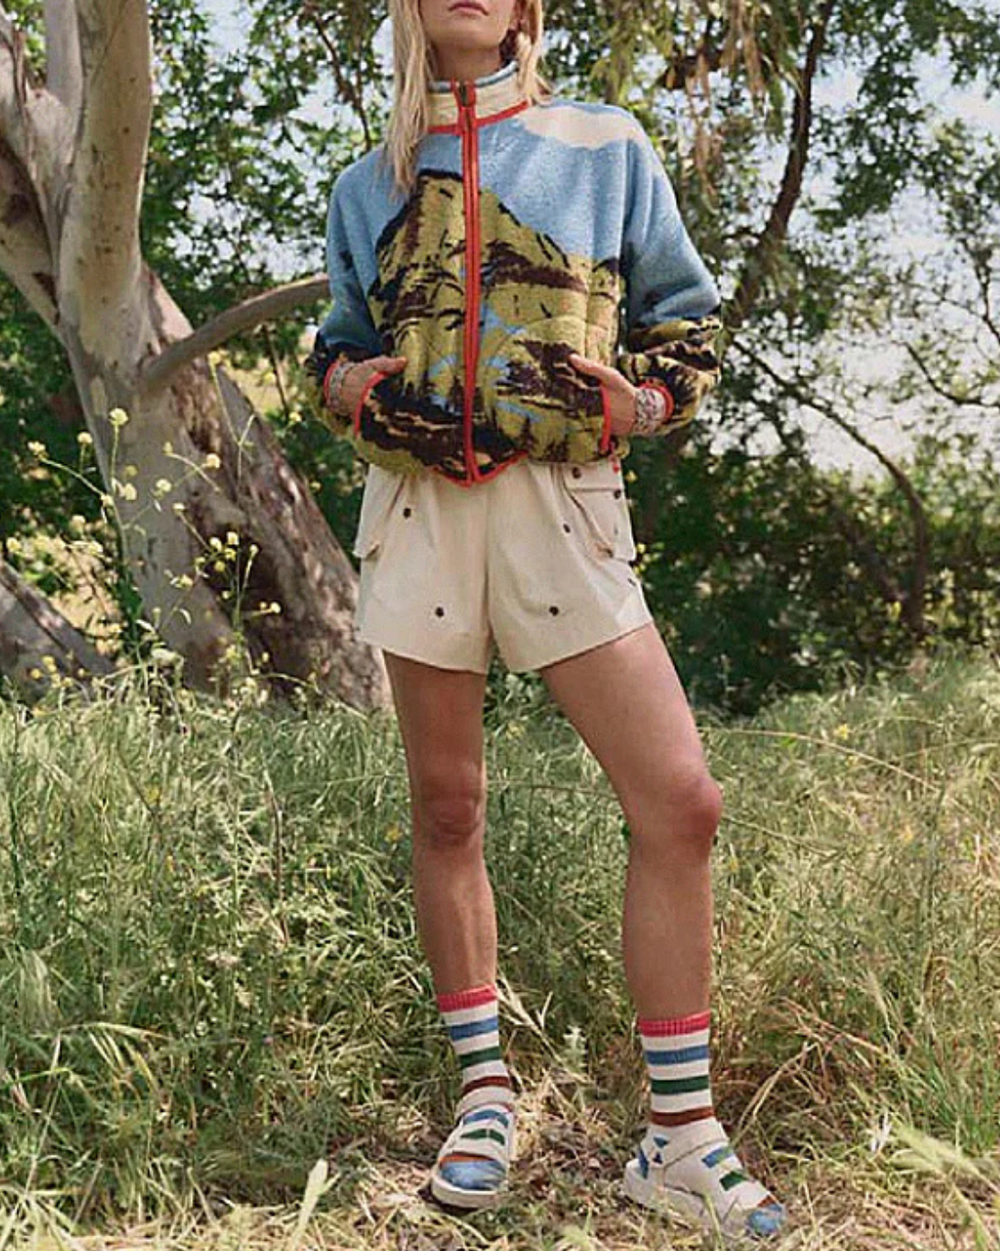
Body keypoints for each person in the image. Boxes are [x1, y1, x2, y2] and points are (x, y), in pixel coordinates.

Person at [304, 0, 786, 1241]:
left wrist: (646, 402)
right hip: (416, 511)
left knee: (680, 799)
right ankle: (483, 1100)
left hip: (564, 505)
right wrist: (347, 385)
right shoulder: (367, 184)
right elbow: (337, 343)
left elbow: (686, 322)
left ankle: (679, 1138)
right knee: (446, 807)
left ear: (527, 7)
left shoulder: (603, 145)